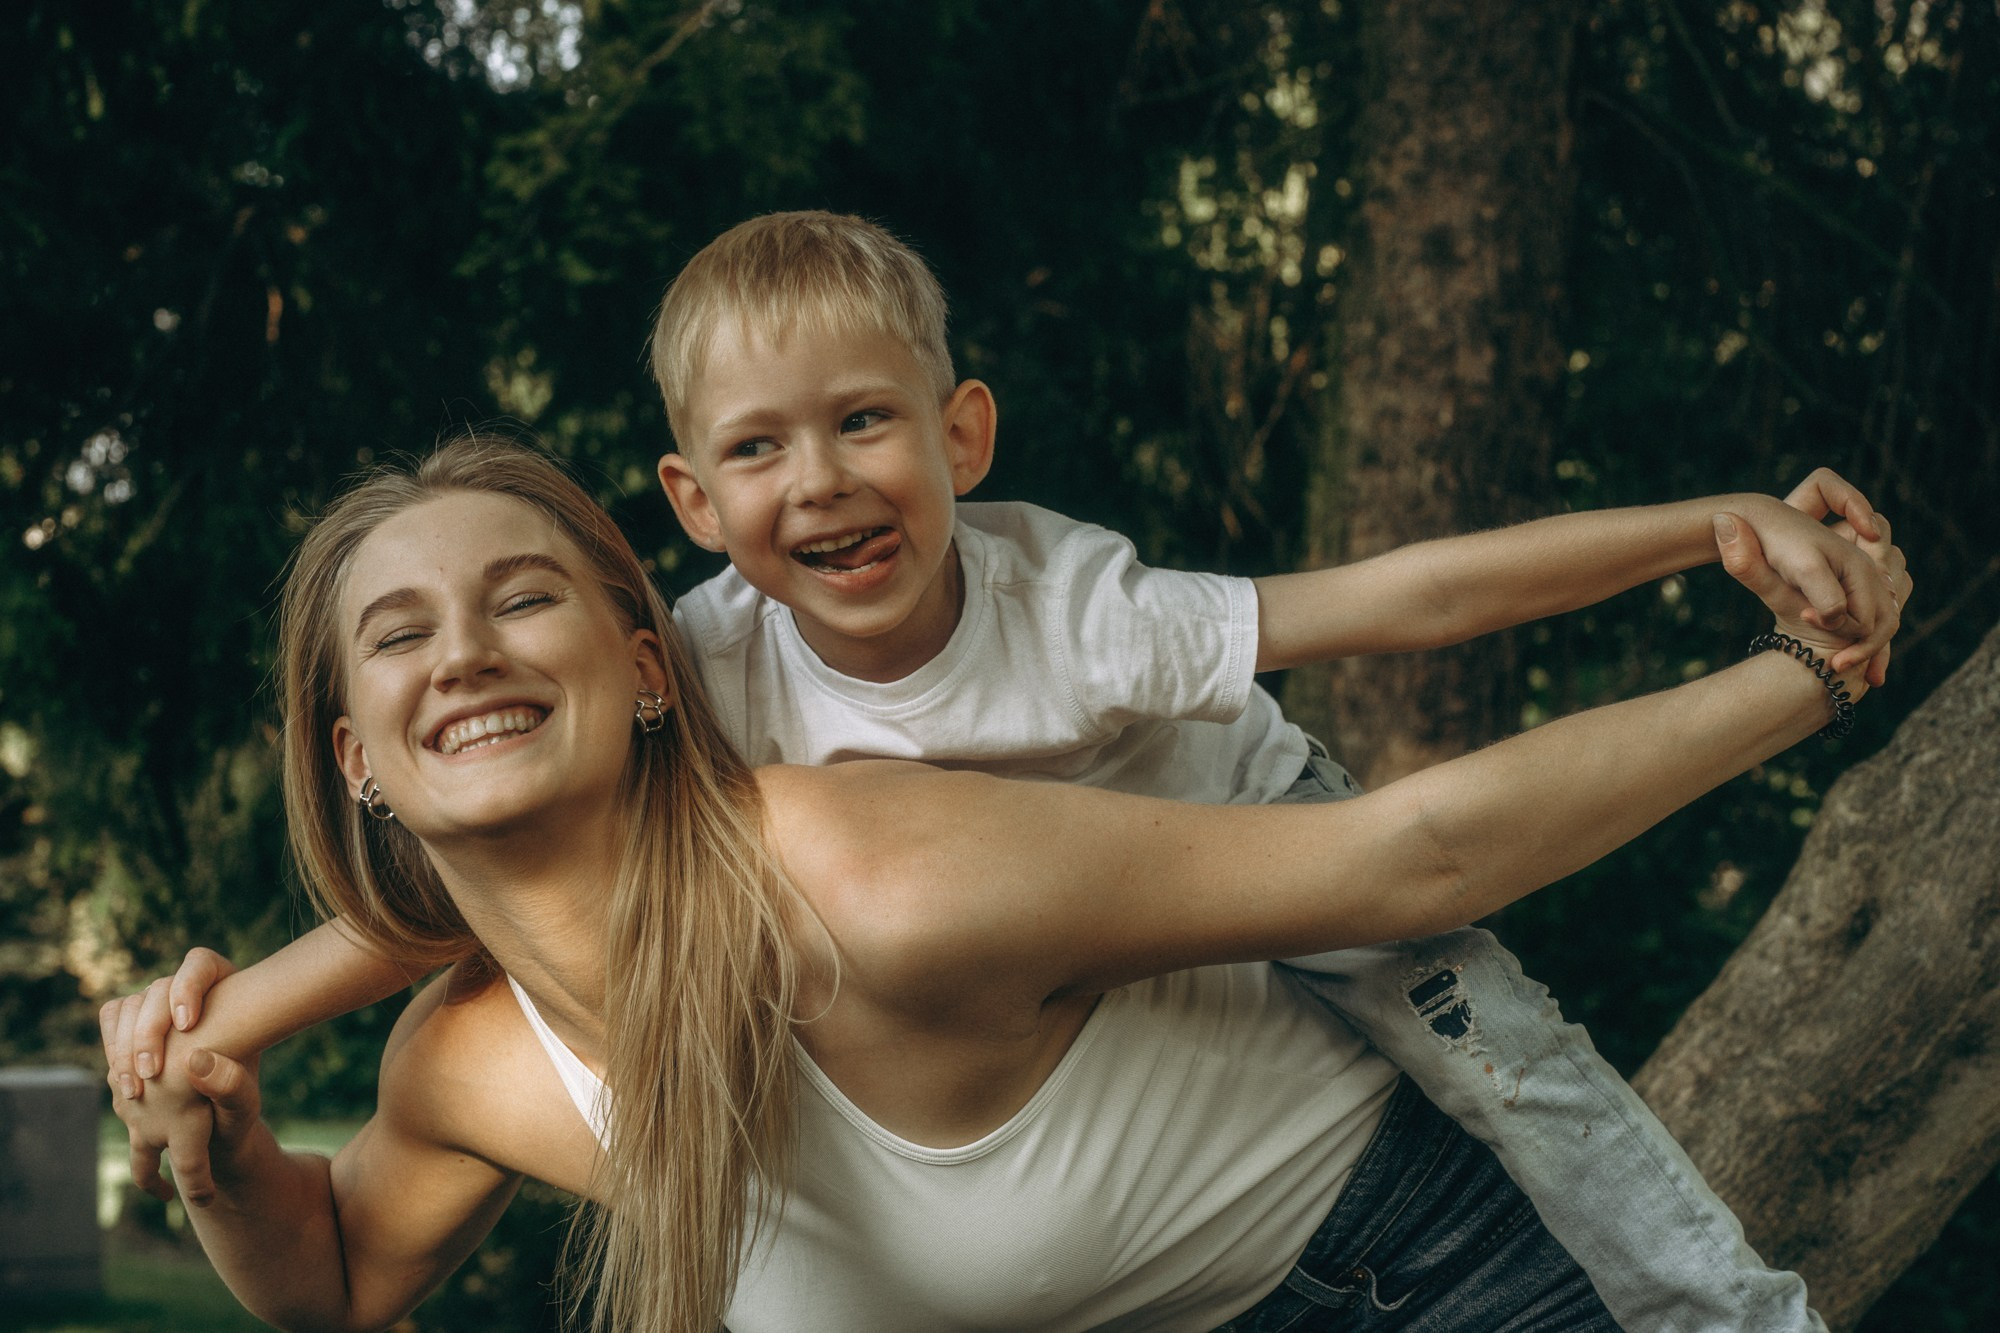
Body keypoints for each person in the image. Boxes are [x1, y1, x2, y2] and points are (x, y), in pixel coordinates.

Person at [111, 213, 1906, 1330]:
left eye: (520, 599)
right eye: (405, 638)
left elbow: (1410, 818)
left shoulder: (926, 793)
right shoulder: (485, 1042)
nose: (474, 656)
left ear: (644, 665)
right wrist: (211, 1104)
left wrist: (1785, 657)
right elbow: (335, 1273)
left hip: (1381, 1246)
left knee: (1539, 1091)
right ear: (356, 753)